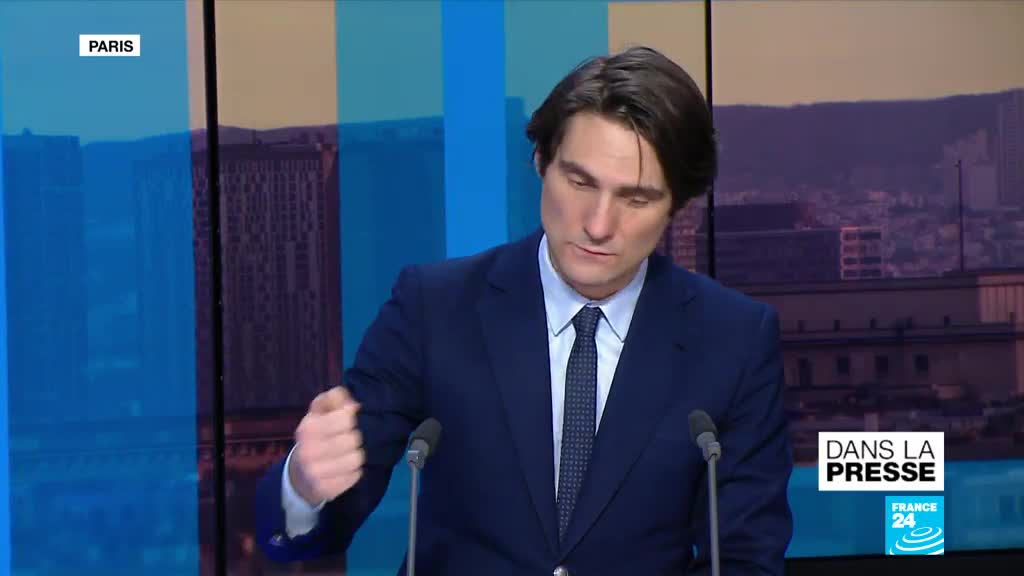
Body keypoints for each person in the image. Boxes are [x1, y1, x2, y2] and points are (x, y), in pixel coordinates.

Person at [256, 45, 793, 575]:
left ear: (677, 204)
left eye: (635, 199)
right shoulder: (434, 307)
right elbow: (327, 514)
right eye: (579, 182)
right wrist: (303, 485)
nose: (598, 225)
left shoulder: (735, 341)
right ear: (541, 162)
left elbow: (744, 557)